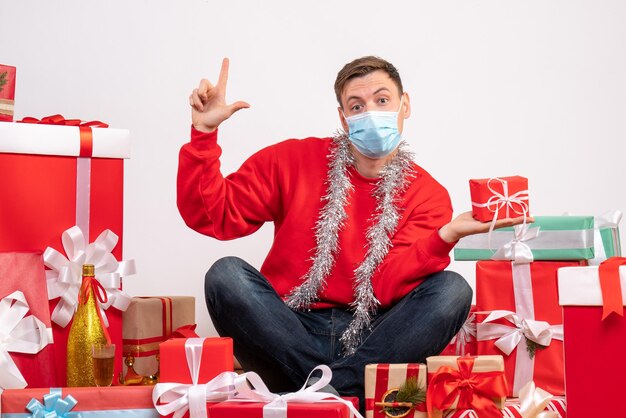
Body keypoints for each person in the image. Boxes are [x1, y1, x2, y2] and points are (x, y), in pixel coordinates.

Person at [177, 56, 526, 405]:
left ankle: (321, 394)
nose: (371, 113)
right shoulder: (292, 160)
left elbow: (386, 287)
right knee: (225, 275)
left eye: (382, 100)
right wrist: (204, 136)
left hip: (374, 337)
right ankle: (345, 393)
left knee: (452, 289)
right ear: (343, 118)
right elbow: (215, 215)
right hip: (288, 330)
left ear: (405, 105)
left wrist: (444, 237)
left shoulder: (428, 195)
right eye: (357, 106)